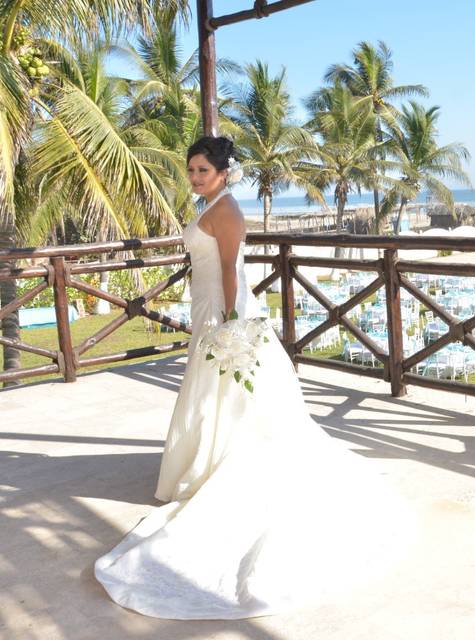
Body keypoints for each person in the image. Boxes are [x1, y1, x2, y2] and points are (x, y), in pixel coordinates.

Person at [94, 136, 414, 620]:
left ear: (223, 173)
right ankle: (208, 460)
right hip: (208, 306)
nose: (196, 178)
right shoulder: (212, 205)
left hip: (225, 310)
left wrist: (228, 324)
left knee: (227, 393)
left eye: (203, 170)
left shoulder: (225, 211)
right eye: (192, 170)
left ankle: (221, 461)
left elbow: (229, 268)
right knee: (212, 394)